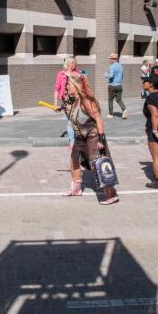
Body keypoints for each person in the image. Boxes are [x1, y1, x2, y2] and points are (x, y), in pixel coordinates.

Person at [64, 74, 119, 205]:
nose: (66, 87)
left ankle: (111, 193)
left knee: (97, 164)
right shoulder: (75, 100)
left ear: (76, 87)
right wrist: (65, 109)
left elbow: (98, 118)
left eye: (69, 85)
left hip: (92, 136)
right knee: (74, 160)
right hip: (80, 136)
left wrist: (101, 139)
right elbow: (76, 118)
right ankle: (76, 189)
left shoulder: (86, 101)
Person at [54, 57, 79, 144]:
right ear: (69, 64)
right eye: (74, 63)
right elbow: (57, 89)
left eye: (75, 63)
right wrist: (55, 103)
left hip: (76, 100)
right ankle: (73, 142)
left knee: (74, 119)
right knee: (70, 120)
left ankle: (74, 139)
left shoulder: (77, 74)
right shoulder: (60, 74)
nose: (75, 65)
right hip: (66, 100)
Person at [104, 53, 128, 119]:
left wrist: (105, 75)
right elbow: (122, 76)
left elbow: (111, 75)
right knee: (119, 99)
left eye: (110, 58)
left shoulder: (112, 66)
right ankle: (124, 109)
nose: (109, 60)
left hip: (112, 86)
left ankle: (111, 114)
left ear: (113, 59)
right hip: (119, 85)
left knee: (110, 99)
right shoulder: (121, 66)